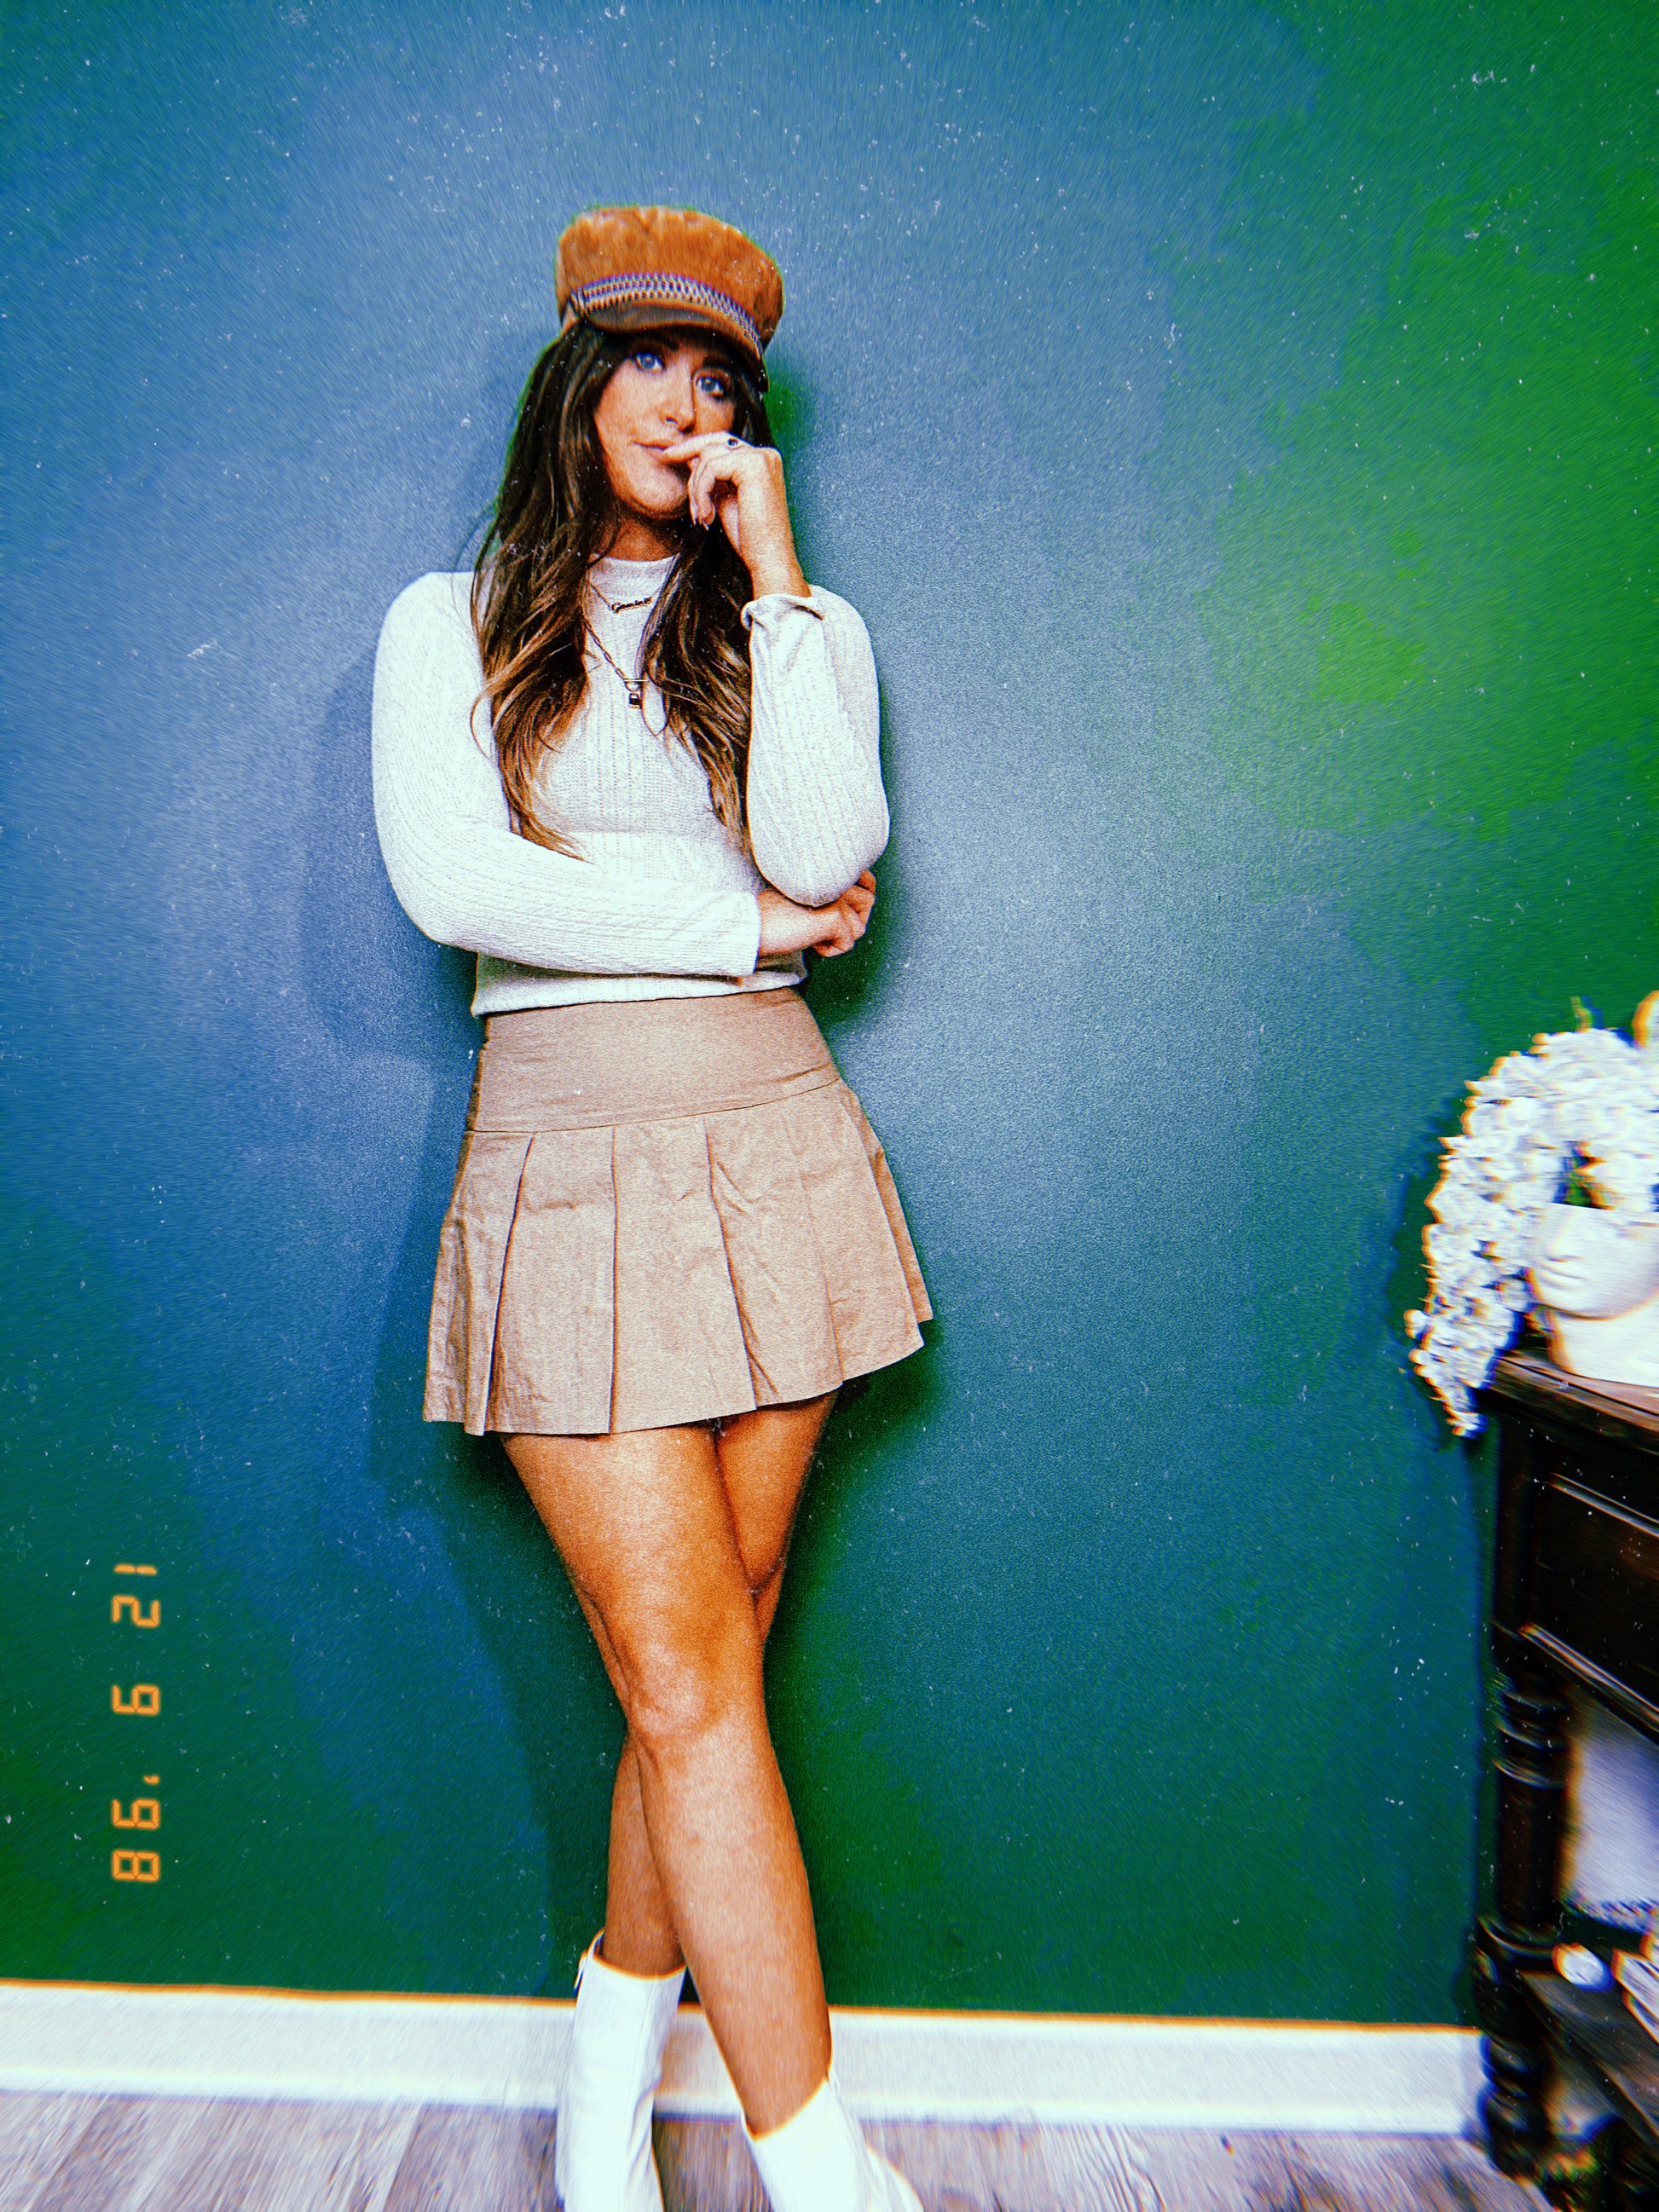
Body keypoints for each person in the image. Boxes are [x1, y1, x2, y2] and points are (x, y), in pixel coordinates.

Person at [373, 205, 930, 2212]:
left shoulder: (804, 629)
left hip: (775, 1141)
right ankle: (822, 2167)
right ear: (578, 381)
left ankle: (603, 2086)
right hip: (566, 1150)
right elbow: (458, 883)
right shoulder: (445, 620)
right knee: (688, 1674)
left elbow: (832, 846)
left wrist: (777, 581)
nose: (686, 405)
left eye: (722, 382)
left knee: (711, 1664)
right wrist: (738, 923)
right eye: (651, 362)